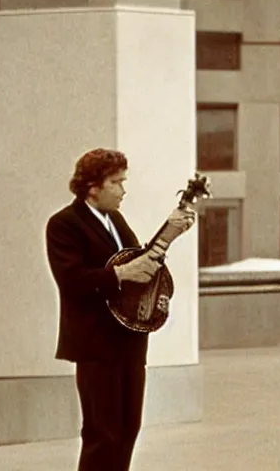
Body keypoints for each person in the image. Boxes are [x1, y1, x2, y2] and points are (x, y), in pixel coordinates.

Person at [45, 148, 195, 471]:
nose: (123, 190)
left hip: (130, 342)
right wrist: (122, 274)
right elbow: (71, 281)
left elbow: (139, 265)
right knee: (102, 435)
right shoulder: (64, 225)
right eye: (116, 182)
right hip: (96, 346)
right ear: (92, 187)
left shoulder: (116, 220)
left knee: (128, 429)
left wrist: (156, 294)